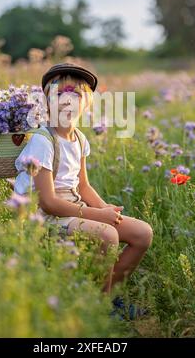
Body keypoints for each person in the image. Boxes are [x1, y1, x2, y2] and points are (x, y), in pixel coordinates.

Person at [14, 62, 153, 319]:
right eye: (58, 94)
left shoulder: (79, 138)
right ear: (46, 103)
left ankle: (106, 297)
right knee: (107, 235)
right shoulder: (42, 142)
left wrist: (104, 208)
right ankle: (98, 309)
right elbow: (48, 203)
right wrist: (98, 217)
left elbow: (83, 185)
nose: (67, 101)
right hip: (42, 217)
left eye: (75, 94)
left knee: (142, 233)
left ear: (86, 104)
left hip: (74, 206)